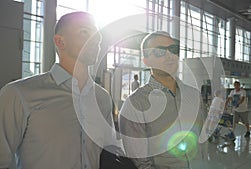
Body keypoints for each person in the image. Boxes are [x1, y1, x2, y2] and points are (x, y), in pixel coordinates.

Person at [0, 12, 120, 169]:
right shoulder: (19, 94)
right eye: (85, 32)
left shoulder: (102, 98)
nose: (97, 38)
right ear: (60, 41)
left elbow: (107, 153)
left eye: (97, 33)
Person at [118, 31, 203, 169]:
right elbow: (141, 163)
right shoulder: (136, 104)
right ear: (146, 61)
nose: (169, 55)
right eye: (159, 51)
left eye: (173, 49)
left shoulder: (194, 95)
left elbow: (201, 143)